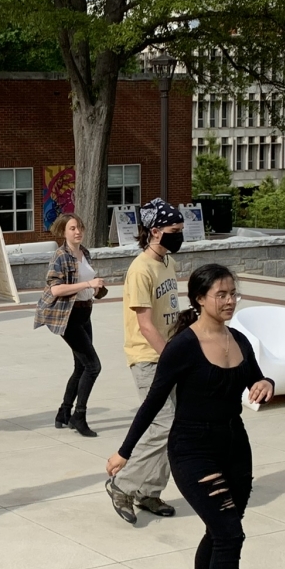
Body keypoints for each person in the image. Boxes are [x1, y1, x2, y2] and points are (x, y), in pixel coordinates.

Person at [107, 264, 273, 569]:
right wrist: (124, 452)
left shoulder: (240, 341)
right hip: (192, 448)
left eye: (233, 293)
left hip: (235, 447)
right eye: (221, 294)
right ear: (200, 299)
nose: (230, 300)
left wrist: (266, 383)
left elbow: (257, 378)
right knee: (230, 536)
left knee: (220, 533)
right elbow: (152, 402)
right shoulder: (182, 346)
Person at [105, 198, 184, 525]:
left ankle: (148, 490)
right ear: (154, 231)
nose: (179, 235)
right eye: (173, 231)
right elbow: (145, 324)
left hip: (169, 353)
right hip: (149, 358)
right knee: (164, 424)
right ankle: (123, 485)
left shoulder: (167, 262)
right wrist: (170, 357)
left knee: (174, 427)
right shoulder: (140, 269)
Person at [34, 213, 106, 436]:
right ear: (64, 232)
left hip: (85, 312)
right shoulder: (60, 256)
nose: (78, 232)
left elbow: (85, 285)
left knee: (81, 366)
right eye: (73, 228)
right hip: (68, 317)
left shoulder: (85, 253)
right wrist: (87, 283)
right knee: (93, 366)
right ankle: (79, 416)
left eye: (80, 228)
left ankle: (64, 413)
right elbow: (55, 289)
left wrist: (97, 289)